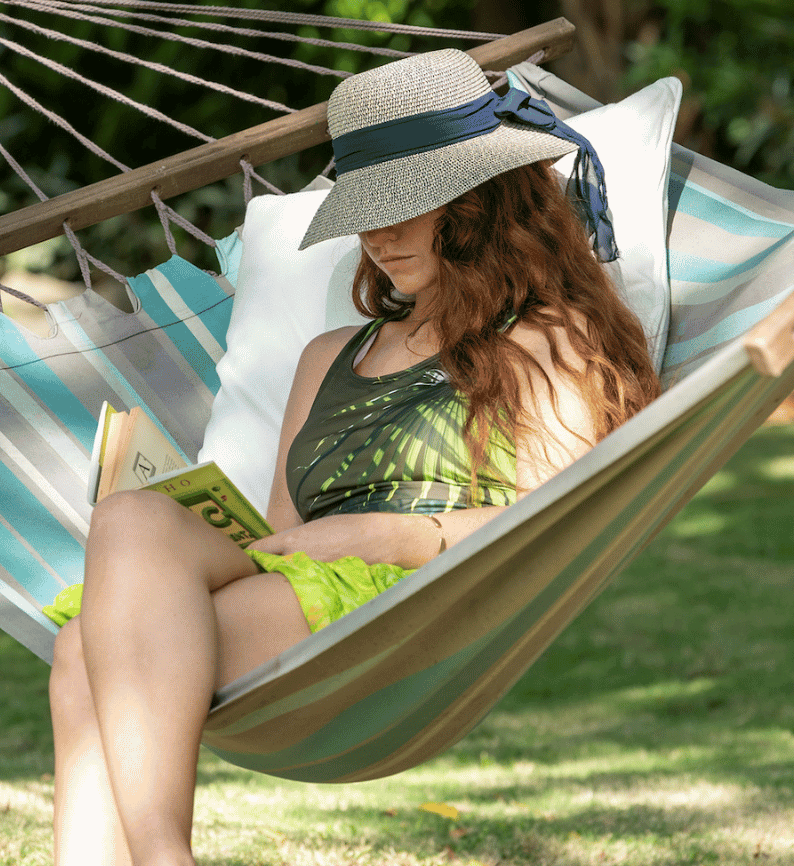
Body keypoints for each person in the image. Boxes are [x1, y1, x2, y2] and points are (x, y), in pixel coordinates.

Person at [46, 48, 660, 866]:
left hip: (412, 603)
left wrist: (377, 536)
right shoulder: (329, 354)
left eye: (409, 204)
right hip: (298, 589)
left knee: (87, 650)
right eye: (368, 206)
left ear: (479, 202)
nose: (381, 232)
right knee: (127, 518)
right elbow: (280, 531)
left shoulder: (546, 340)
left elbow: (553, 522)